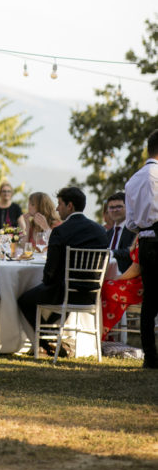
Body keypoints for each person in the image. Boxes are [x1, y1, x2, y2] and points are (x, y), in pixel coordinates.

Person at [17, 186, 108, 353]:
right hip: (91, 294)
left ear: (70, 206)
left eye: (59, 204)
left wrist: (47, 282)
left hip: (64, 293)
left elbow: (50, 272)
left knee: (24, 300)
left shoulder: (60, 231)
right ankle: (50, 337)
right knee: (52, 294)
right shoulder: (100, 230)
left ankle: (44, 342)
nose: (57, 208)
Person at [124, 129, 158, 368]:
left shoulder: (133, 179)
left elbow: (130, 223)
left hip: (146, 242)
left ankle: (150, 356)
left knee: (150, 300)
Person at [101, 237, 143, 340]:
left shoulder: (147, 236)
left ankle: (102, 333)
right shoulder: (144, 235)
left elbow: (136, 269)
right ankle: (105, 333)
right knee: (106, 287)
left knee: (107, 288)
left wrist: (117, 279)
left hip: (143, 284)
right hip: (140, 281)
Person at [105, 192, 134, 273]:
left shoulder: (134, 230)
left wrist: (111, 253)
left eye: (119, 207)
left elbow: (132, 252)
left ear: (127, 208)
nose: (115, 210)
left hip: (127, 276)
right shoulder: (107, 234)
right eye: (111, 207)